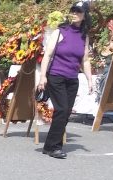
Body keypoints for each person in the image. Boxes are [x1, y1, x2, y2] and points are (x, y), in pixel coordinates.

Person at [37, 0, 94, 160]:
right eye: (73, 11)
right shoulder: (60, 31)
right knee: (61, 109)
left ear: (84, 15)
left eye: (79, 12)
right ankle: (54, 147)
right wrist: (42, 77)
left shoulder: (84, 36)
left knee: (66, 112)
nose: (75, 14)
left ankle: (50, 146)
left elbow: (85, 60)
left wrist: (90, 79)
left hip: (72, 79)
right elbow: (47, 55)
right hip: (56, 76)